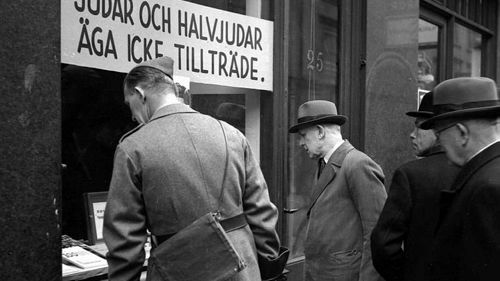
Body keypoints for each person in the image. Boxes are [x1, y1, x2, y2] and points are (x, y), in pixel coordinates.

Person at [103, 56, 284, 281]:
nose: (132, 115)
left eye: (130, 104)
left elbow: (125, 240)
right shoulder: (232, 135)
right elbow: (261, 211)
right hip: (244, 269)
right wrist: (267, 266)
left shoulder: (133, 147)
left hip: (178, 270)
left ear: (140, 94)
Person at [288, 100, 387, 281]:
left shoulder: (358, 164)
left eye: (303, 135)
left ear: (320, 132)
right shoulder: (324, 163)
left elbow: (377, 234)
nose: (300, 143)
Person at [370, 92, 460, 281]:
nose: (412, 135)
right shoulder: (477, 169)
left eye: (420, 127)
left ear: (438, 129)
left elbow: (383, 244)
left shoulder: (411, 174)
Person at [419, 77, 500, 281]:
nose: (439, 144)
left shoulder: (486, 188)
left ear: (462, 133)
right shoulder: (489, 174)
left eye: (439, 135)